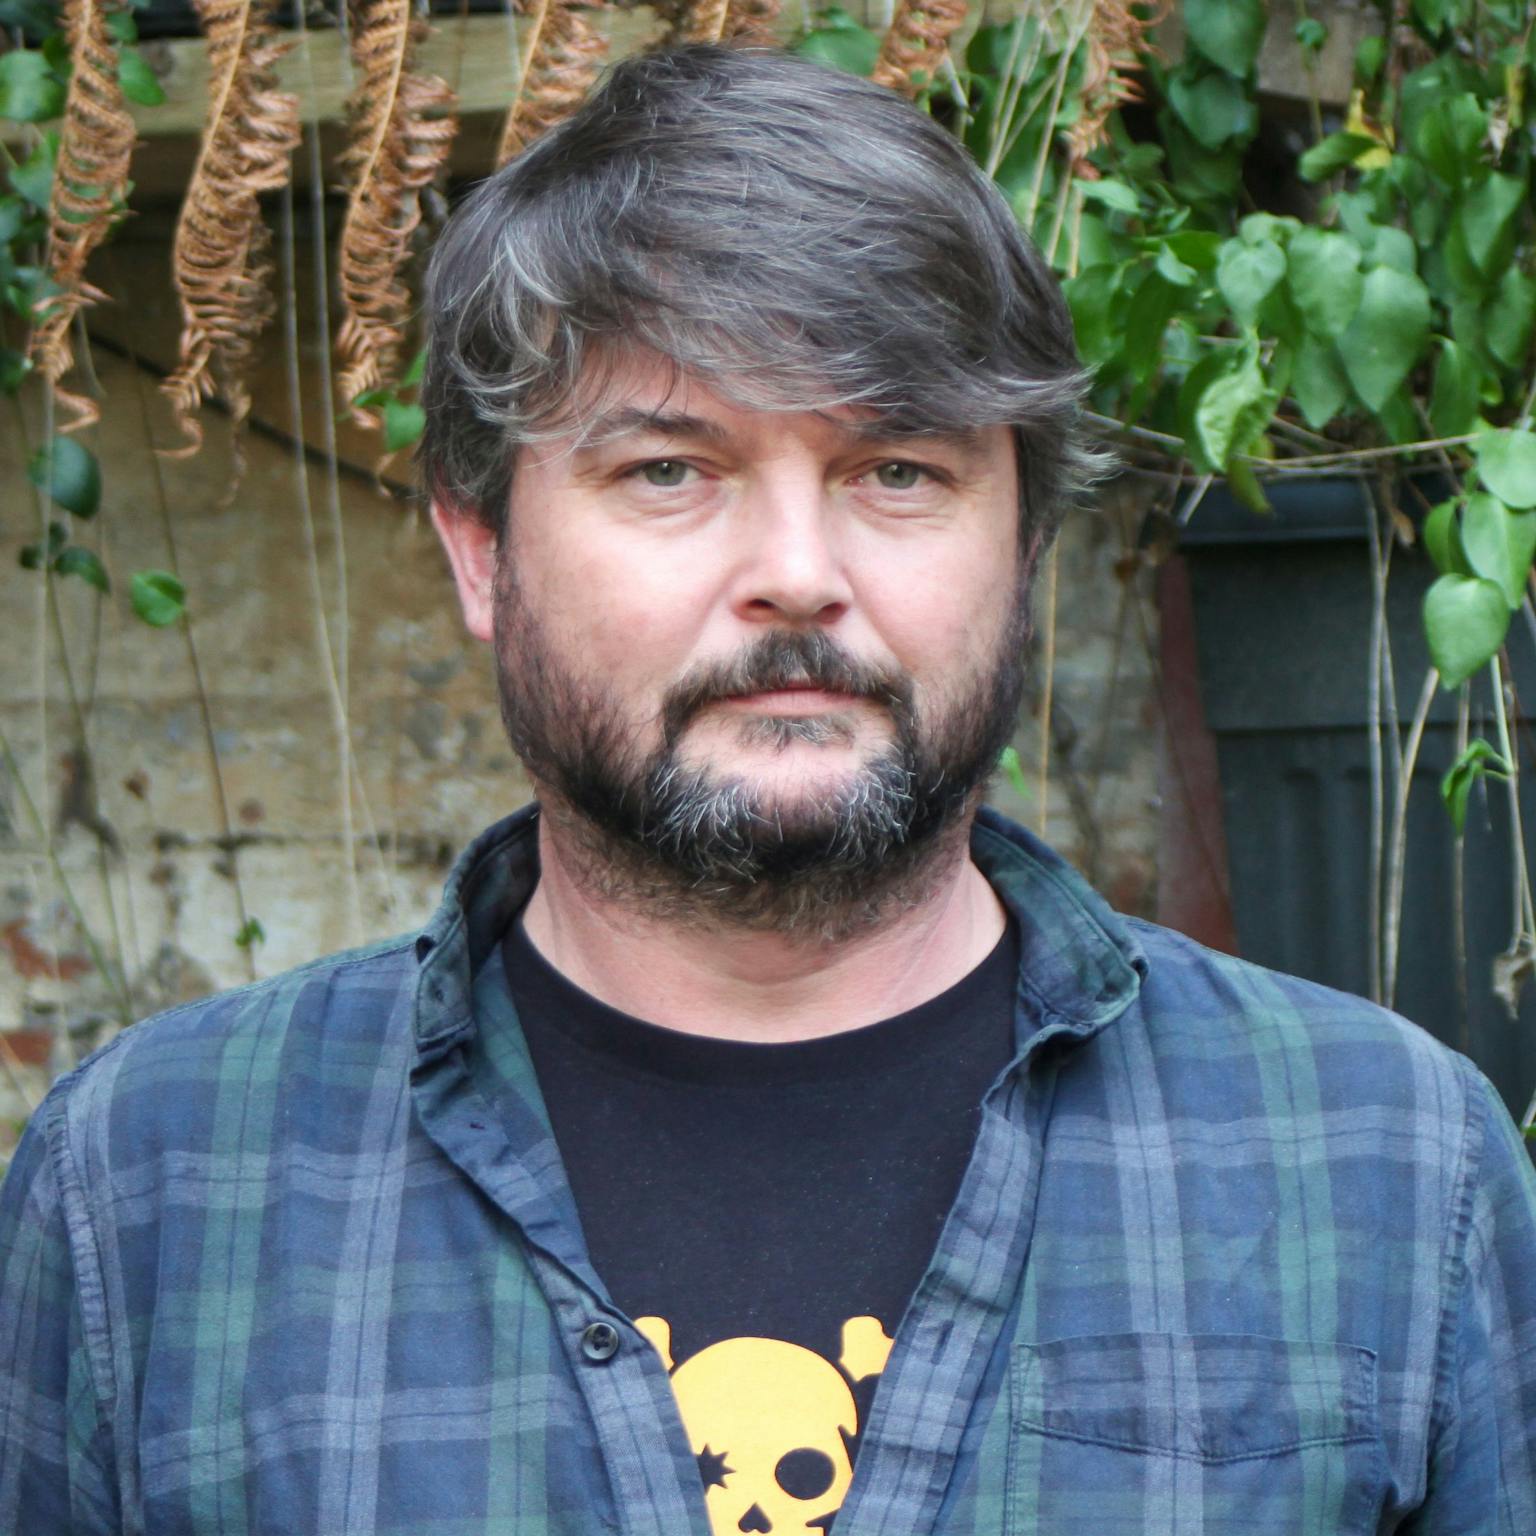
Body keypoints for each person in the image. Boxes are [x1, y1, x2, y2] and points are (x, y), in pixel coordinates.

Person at [3, 41, 1535, 1536]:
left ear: (1022, 550)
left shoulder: (1387, 1161)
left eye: (900, 471)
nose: (799, 577)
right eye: (669, 469)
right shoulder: (149, 1187)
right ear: (483, 551)